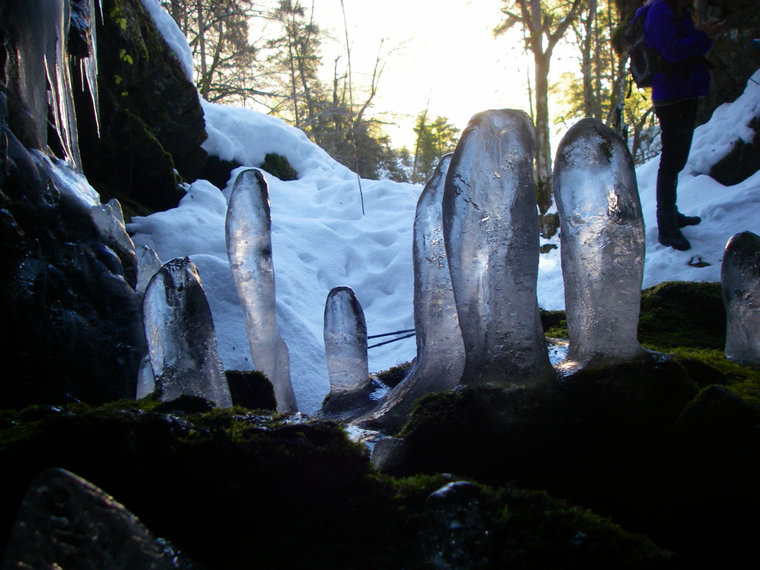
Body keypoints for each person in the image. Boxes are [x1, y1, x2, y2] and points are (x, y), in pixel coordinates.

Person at [642, 0, 728, 250]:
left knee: (678, 159)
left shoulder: (680, 10)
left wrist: (708, 35)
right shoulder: (659, 10)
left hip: (687, 90)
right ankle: (666, 226)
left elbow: (694, 49)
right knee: (670, 161)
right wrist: (702, 33)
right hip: (671, 95)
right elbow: (673, 51)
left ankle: (672, 214)